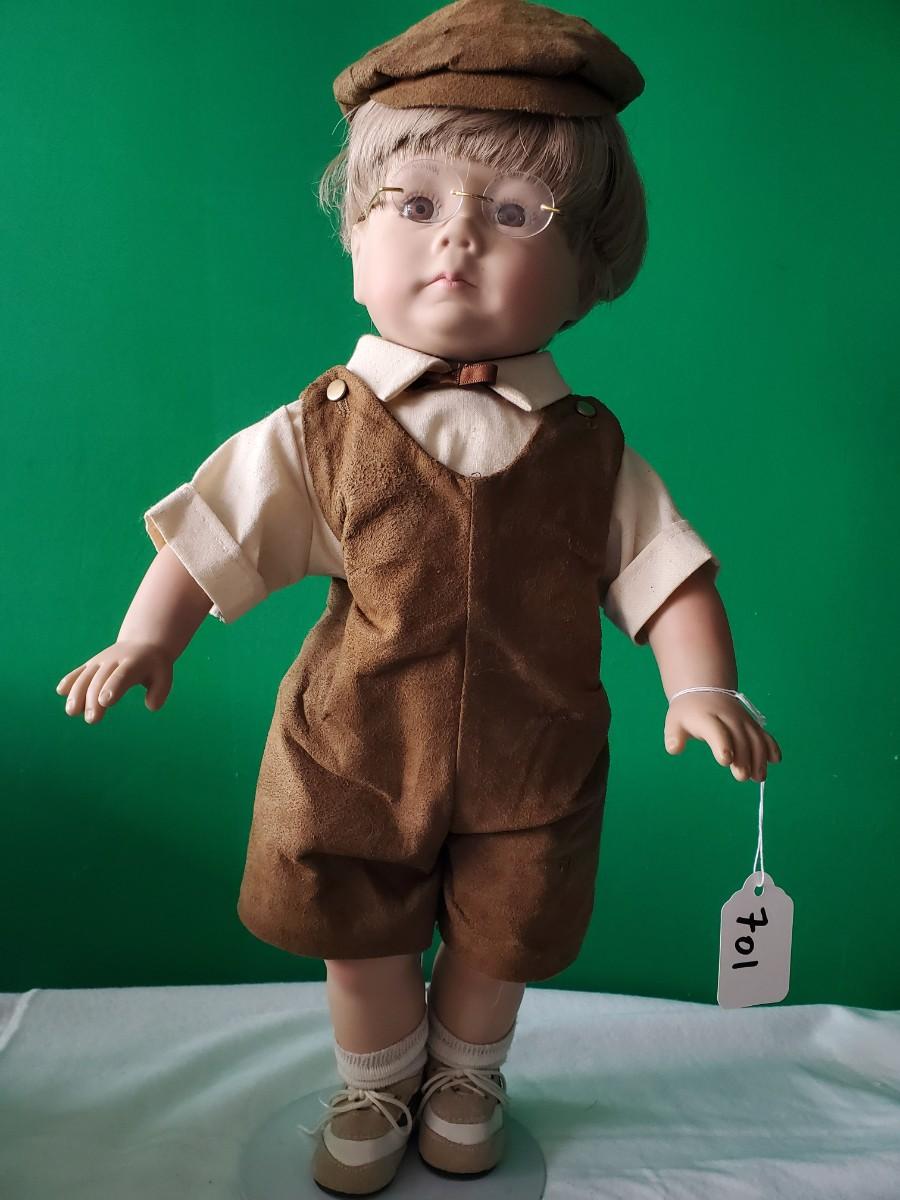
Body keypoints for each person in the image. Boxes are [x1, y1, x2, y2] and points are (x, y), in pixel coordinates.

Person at [56, 0, 782, 1193]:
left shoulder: (589, 449)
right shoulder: (324, 426)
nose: (459, 240)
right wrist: (147, 638)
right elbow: (215, 527)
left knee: (505, 934)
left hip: (532, 758)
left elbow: (666, 572)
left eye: (516, 213)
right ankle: (378, 1078)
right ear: (355, 234)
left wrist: (702, 686)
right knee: (359, 935)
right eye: (413, 203)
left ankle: (466, 1076)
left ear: (589, 262)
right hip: (356, 746)